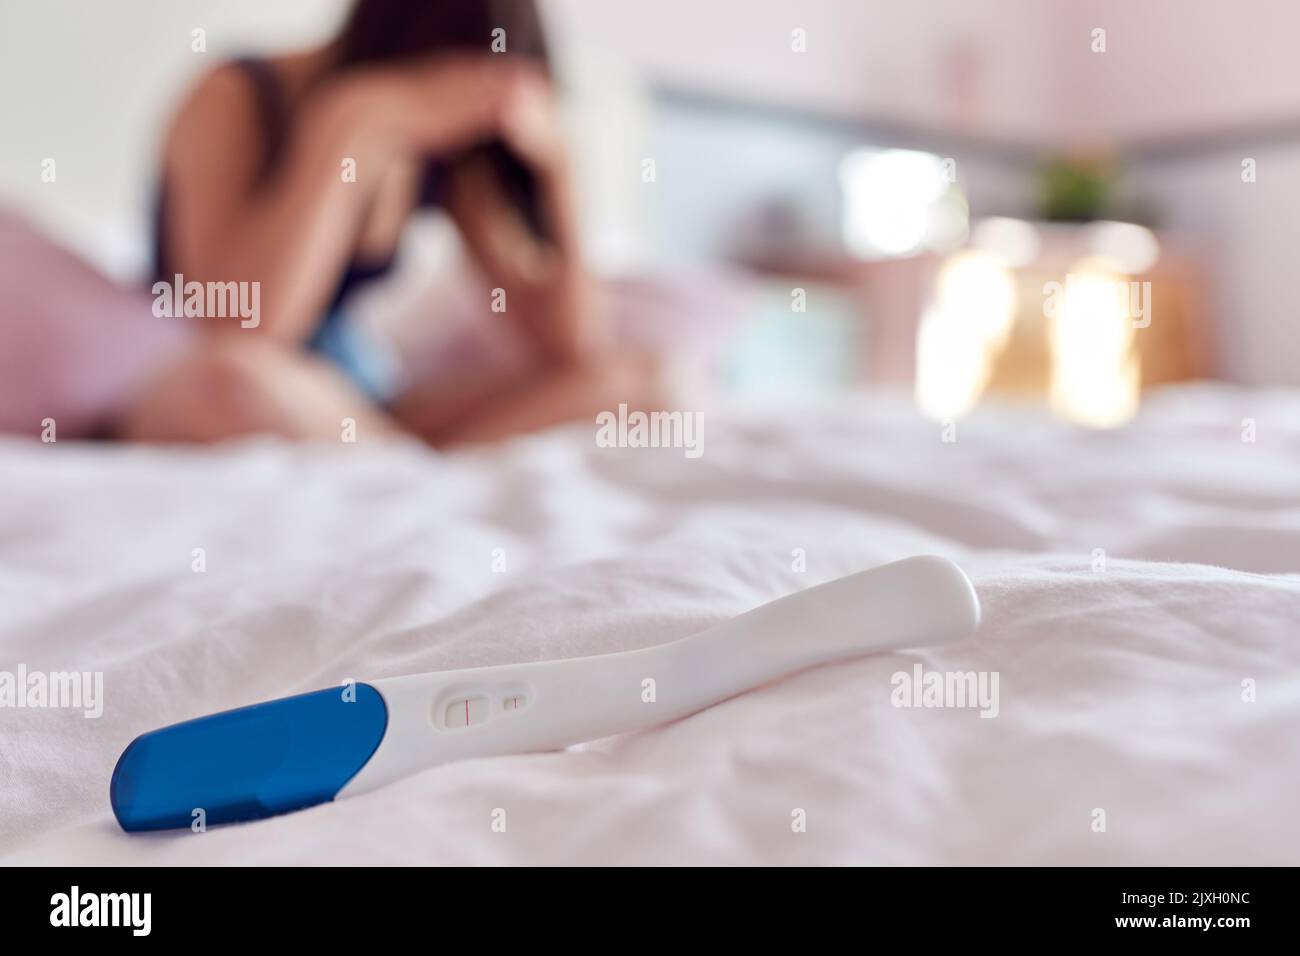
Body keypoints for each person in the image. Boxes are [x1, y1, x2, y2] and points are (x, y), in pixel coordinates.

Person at [119, 0, 660, 444]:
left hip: (349, 410)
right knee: (233, 380)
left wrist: (561, 172)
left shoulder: (444, 150)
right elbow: (244, 326)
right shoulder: (238, 92)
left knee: (648, 384)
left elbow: (574, 350)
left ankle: (401, 475)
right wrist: (349, 126)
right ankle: (404, 473)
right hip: (218, 391)